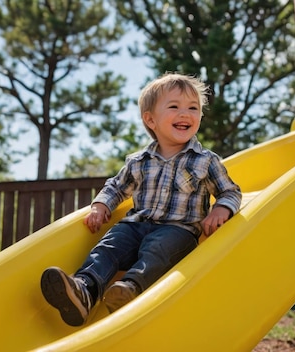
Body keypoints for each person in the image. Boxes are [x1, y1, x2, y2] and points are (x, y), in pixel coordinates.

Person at [40, 73, 242, 326]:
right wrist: (101, 205)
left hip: (178, 230)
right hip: (135, 226)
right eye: (174, 107)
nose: (186, 114)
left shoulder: (205, 160)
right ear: (150, 119)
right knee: (108, 246)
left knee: (158, 249)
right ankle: (84, 290)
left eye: (194, 108)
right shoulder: (138, 161)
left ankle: (130, 289)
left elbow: (230, 191)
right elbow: (116, 187)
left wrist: (221, 209)